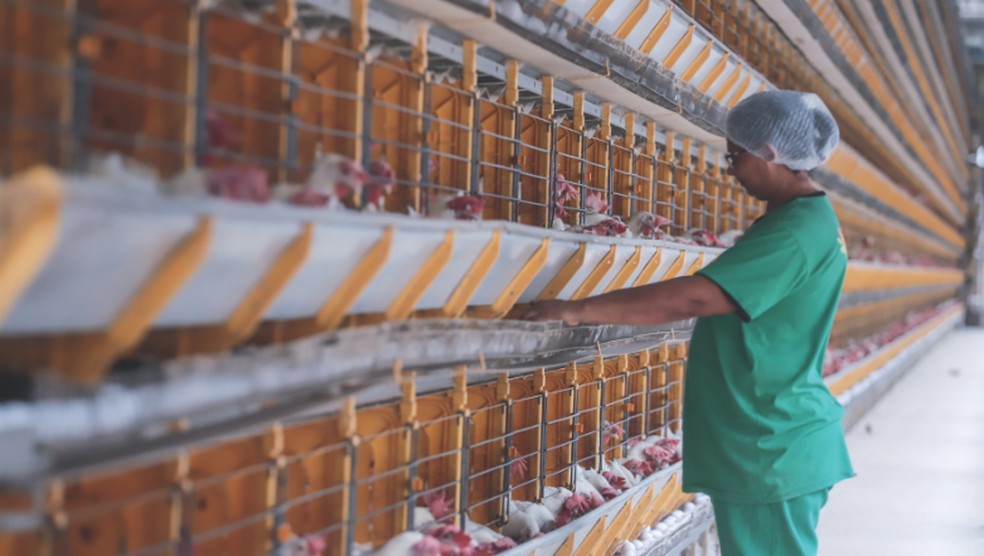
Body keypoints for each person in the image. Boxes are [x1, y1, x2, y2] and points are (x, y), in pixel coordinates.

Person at [523, 90, 854, 555]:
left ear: (771, 155)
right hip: (769, 437)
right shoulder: (799, 221)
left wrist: (577, 309)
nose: (732, 169)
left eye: (735, 156)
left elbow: (699, 296)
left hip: (770, 445)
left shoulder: (796, 233)